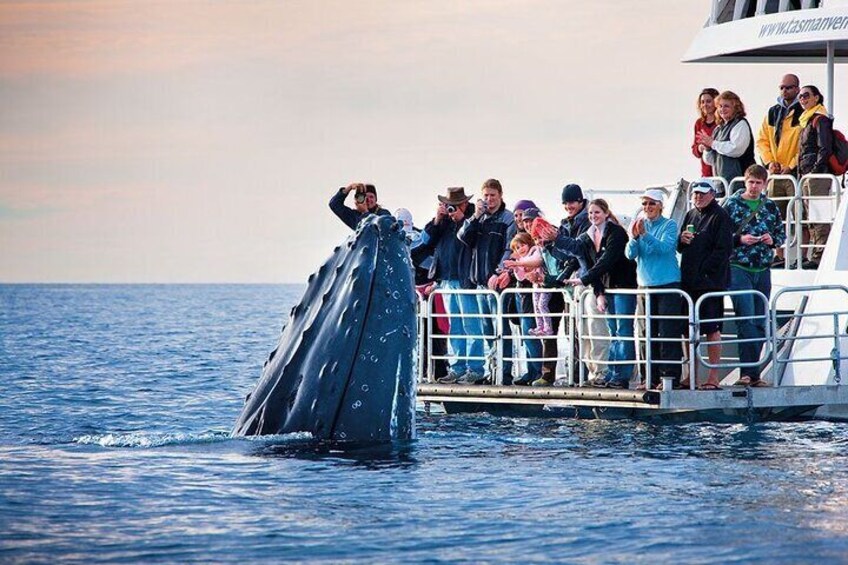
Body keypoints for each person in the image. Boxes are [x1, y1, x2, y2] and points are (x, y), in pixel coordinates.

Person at [722, 164, 785, 388]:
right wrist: (739, 239)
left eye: (759, 183)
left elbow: (781, 233)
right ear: (745, 181)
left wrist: (772, 240)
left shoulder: (770, 206)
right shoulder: (731, 204)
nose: (754, 186)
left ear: (765, 184)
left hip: (763, 268)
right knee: (745, 319)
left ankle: (753, 373)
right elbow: (719, 235)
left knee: (759, 321)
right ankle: (748, 373)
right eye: (751, 182)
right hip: (739, 266)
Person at [423, 187, 485, 385]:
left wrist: (462, 219)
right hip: (447, 280)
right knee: (455, 327)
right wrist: (437, 219)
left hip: (465, 279)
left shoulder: (474, 219)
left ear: (464, 204)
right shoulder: (444, 223)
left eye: (455, 205)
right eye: (449, 206)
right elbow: (427, 241)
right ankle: (457, 367)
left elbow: (470, 237)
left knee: (471, 325)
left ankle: (475, 368)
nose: (452, 209)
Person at [457, 179, 516, 384]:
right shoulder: (478, 218)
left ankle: (505, 371)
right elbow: (463, 237)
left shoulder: (507, 219)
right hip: (480, 283)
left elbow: (510, 248)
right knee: (486, 329)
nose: (489, 199)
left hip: (497, 284)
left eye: (493, 195)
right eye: (486, 196)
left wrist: (499, 272)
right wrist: (475, 216)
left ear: (500, 195)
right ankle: (492, 369)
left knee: (502, 328)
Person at [678, 180, 734, 390]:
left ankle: (713, 376)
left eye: (702, 193)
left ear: (712, 194)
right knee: (687, 329)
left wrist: (704, 270)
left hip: (710, 284)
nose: (698, 197)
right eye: (695, 194)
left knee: (712, 328)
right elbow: (681, 248)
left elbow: (724, 250)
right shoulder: (690, 214)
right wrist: (680, 240)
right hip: (689, 282)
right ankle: (690, 374)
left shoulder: (720, 216)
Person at [625, 189, 683, 390]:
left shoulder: (670, 225)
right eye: (645, 204)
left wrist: (645, 236)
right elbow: (630, 255)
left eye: (651, 204)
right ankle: (648, 377)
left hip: (667, 284)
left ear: (660, 205)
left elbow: (665, 248)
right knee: (645, 333)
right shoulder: (640, 225)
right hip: (645, 286)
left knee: (667, 333)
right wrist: (634, 238)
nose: (647, 208)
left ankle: (669, 378)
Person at [756, 74, 803, 242]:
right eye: (782, 87)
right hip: (776, 174)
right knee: (775, 217)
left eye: (788, 87)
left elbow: (805, 144)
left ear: (797, 89)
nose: (784, 90)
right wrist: (769, 163)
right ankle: (779, 255)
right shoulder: (773, 111)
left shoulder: (804, 111)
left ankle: (803, 256)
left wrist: (790, 165)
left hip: (797, 173)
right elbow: (762, 140)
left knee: (801, 216)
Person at [502, 200, 544, 385]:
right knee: (526, 332)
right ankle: (531, 370)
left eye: (527, 218)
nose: (522, 221)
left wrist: (517, 265)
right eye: (518, 216)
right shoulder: (519, 239)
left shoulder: (535, 244)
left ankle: (537, 371)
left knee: (530, 331)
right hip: (521, 293)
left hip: (532, 293)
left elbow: (535, 263)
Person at [797, 84, 835, 268]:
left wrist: (816, 170)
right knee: (811, 217)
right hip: (808, 175)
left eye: (805, 95)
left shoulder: (820, 119)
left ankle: (820, 256)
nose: (802, 99)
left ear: (816, 98)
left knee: (819, 215)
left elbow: (824, 147)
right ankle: (815, 254)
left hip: (817, 175)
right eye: (800, 97)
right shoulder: (806, 120)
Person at [697, 90, 756, 189]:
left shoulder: (740, 124)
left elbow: (736, 150)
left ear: (736, 108)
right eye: (720, 106)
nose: (722, 109)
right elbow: (711, 161)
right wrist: (708, 149)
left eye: (726, 106)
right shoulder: (718, 129)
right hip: (721, 184)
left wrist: (713, 143)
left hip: (739, 183)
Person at [503, 233, 551, 336]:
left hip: (544, 284)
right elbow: (521, 277)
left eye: (523, 245)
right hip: (535, 287)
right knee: (537, 307)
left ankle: (548, 327)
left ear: (528, 243)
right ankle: (540, 327)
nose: (521, 249)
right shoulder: (521, 260)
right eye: (517, 248)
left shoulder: (534, 250)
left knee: (542, 305)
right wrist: (515, 268)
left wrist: (517, 263)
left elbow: (535, 261)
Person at [692, 87, 719, 178]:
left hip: (720, 170)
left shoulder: (721, 122)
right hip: (706, 173)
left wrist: (711, 143)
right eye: (702, 102)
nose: (705, 104)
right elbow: (695, 149)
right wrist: (700, 148)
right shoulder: (699, 123)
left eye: (708, 101)